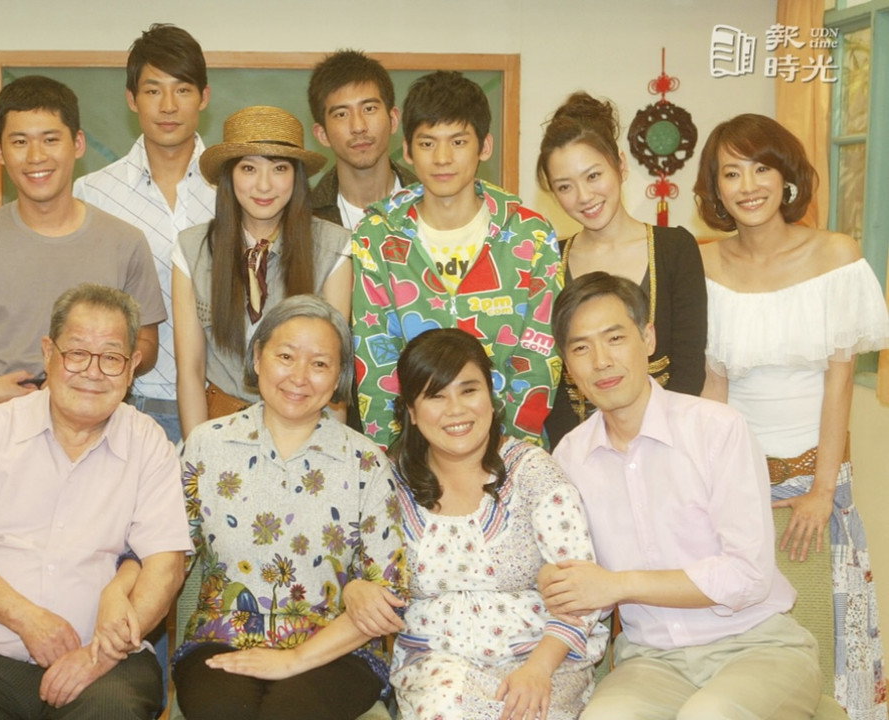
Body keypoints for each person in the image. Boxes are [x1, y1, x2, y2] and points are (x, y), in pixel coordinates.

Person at [0, 284, 190, 720]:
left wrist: (101, 656)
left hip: (102, 665)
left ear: (132, 367)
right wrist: (27, 619)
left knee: (116, 711)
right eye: (76, 353)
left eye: (111, 357)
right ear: (48, 353)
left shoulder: (149, 444)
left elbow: (165, 566)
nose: (92, 372)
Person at [545, 272, 821, 719]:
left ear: (647, 338)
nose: (601, 361)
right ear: (567, 365)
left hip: (757, 647)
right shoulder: (570, 457)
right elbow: (570, 574)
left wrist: (618, 584)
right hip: (652, 661)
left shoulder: (716, 429)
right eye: (581, 348)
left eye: (615, 338)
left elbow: (748, 576)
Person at [697, 113, 889, 718]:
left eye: (762, 167)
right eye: (731, 172)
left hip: (817, 478)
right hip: (738, 479)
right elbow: (713, 386)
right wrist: (707, 485)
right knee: (743, 642)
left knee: (825, 632)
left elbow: (838, 382)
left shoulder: (836, 254)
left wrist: (823, 490)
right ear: (716, 188)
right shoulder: (704, 264)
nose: (748, 184)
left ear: (786, 178)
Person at [344, 327, 607, 719]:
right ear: (412, 413)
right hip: (435, 666)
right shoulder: (388, 485)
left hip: (543, 659)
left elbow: (581, 593)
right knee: (448, 707)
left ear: (490, 397)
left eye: (469, 390)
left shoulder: (534, 473)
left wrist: (538, 668)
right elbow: (355, 568)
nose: (456, 410)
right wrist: (355, 587)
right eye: (436, 396)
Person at [174, 295, 406, 720]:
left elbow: (388, 592)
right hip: (224, 640)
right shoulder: (206, 445)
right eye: (285, 356)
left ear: (338, 376)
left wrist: (294, 659)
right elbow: (164, 550)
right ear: (258, 357)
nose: (300, 376)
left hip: (338, 651)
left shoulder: (366, 461)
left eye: (320, 364)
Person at [0, 75, 165, 414]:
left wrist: (86, 374)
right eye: (19, 142)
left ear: (77, 144)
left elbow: (147, 343)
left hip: (98, 414)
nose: (36, 156)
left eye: (50, 139)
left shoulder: (125, 241)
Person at [351, 71, 560, 450]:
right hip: (411, 458)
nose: (443, 158)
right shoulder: (378, 237)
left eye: (458, 141)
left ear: (485, 146)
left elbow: (540, 356)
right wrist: (391, 458)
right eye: (428, 143)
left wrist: (512, 454)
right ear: (408, 151)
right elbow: (375, 360)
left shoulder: (531, 235)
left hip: (511, 452)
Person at [536, 92, 705, 448]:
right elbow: (553, 381)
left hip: (666, 445)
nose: (584, 196)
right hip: (578, 453)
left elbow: (690, 370)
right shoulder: (549, 258)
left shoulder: (675, 249)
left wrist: (650, 447)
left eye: (594, 175)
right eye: (565, 187)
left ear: (621, 166)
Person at [173, 105, 352, 437]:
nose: (264, 185)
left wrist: (329, 453)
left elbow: (333, 368)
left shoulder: (335, 247)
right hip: (218, 426)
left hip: (306, 428)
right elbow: (190, 370)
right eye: (249, 168)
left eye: (280, 168)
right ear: (229, 175)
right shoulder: (192, 248)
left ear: (297, 175)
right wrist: (197, 459)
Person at [74, 23, 215, 442]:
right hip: (126, 406)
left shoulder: (239, 187)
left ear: (204, 98)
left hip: (226, 405)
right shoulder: (93, 193)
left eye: (183, 89)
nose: (168, 105)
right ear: (132, 100)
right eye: (153, 90)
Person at [307, 49, 416, 230]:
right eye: (341, 114)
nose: (358, 127)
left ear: (393, 120)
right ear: (322, 134)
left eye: (369, 109)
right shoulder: (305, 219)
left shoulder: (431, 202)